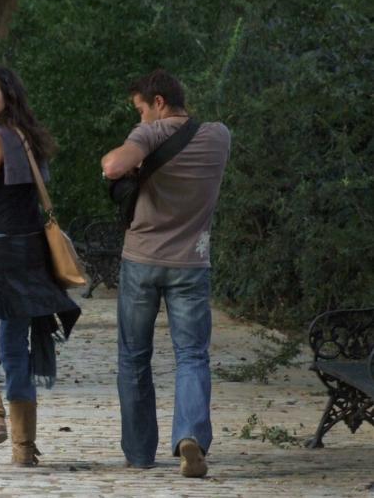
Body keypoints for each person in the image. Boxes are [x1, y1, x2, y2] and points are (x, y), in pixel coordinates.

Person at [0, 66, 80, 466]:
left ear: (8, 95)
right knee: (15, 347)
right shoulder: (26, 136)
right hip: (27, 253)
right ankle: (23, 447)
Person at [100, 69, 230, 478]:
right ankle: (190, 435)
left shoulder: (150, 133)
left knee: (134, 356)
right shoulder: (219, 136)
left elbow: (112, 166)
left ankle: (140, 453)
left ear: (158, 102)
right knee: (192, 355)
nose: (139, 118)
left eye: (141, 109)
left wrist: (130, 154)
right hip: (191, 263)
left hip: (142, 260)